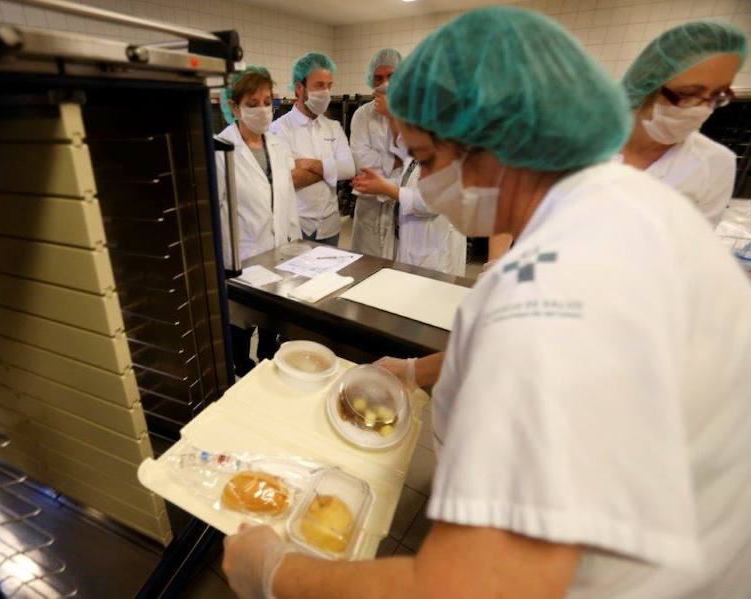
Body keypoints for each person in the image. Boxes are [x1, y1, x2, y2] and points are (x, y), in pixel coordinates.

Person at [222, 7, 751, 599]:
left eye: (424, 161)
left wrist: (273, 571)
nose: (424, 184)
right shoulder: (623, 204)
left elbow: (472, 587)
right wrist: (414, 370)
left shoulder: (546, 297)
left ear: (492, 143)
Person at [215, 67, 301, 375]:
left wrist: (297, 245)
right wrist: (227, 265)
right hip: (243, 259)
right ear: (234, 107)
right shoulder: (220, 149)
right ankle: (242, 367)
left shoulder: (276, 144)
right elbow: (217, 213)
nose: (263, 110)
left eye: (267, 101)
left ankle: (268, 362)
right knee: (241, 326)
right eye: (253, 103)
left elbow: (287, 197)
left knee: (273, 323)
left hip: (280, 255)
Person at [619, 21, 747, 225]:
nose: (702, 108)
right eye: (688, 94)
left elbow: (694, 248)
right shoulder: (578, 141)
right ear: (645, 84)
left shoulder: (715, 163)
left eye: (716, 95)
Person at [269, 53, 354, 247]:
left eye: (329, 85)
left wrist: (307, 164)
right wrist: (331, 169)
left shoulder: (333, 126)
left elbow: (349, 169)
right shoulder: (279, 128)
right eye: (319, 85)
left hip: (331, 226)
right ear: (299, 88)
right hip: (298, 227)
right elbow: (289, 178)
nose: (326, 92)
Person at [352, 152, 467, 276]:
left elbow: (430, 202)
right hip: (412, 239)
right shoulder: (420, 149)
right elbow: (406, 181)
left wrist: (386, 189)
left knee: (432, 291)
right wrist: (379, 183)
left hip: (436, 250)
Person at [349, 48, 405, 258]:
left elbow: (416, 163)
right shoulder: (362, 115)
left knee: (399, 276)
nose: (385, 83)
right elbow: (362, 162)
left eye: (391, 76)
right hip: (370, 207)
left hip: (403, 206)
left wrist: (392, 117)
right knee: (365, 270)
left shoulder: (415, 113)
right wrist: (398, 162)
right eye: (378, 78)